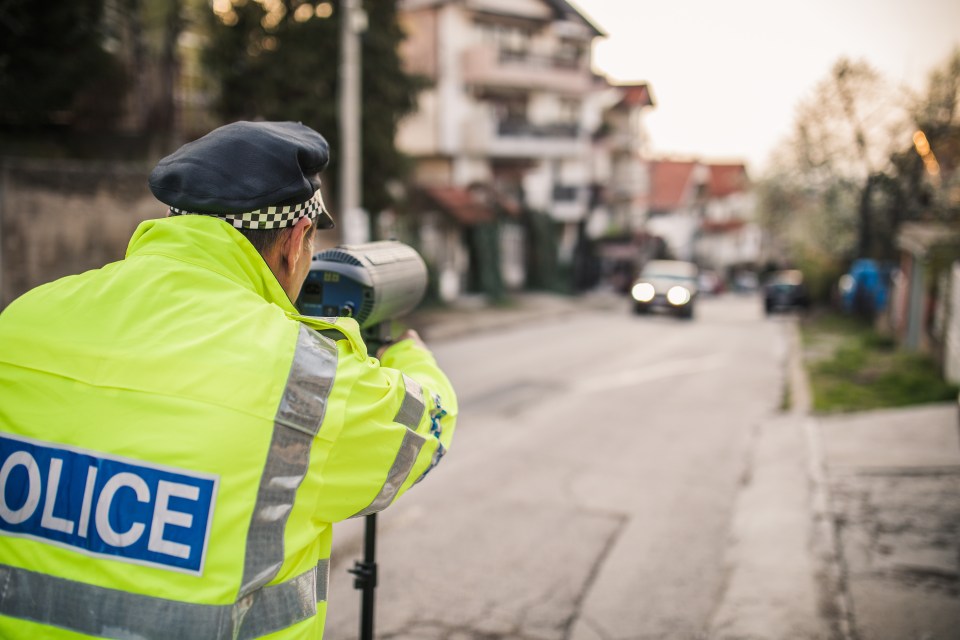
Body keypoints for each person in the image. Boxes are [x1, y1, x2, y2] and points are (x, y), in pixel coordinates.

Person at [0, 121, 457, 639]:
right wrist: (410, 356)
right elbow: (427, 427)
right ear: (296, 239)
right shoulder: (306, 375)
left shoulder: (22, 318)